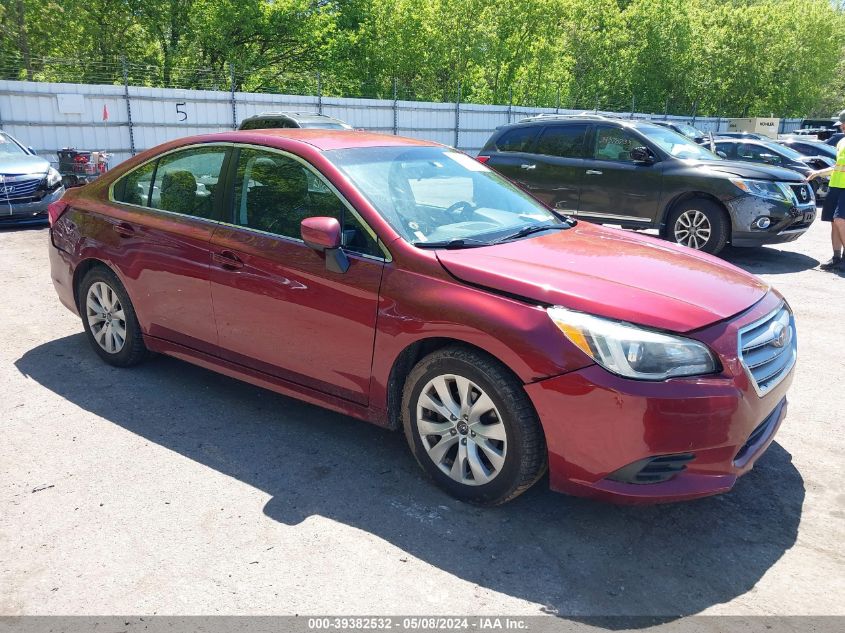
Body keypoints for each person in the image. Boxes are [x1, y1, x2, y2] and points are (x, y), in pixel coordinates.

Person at [808, 109, 845, 271]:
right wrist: (818, 172)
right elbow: (838, 167)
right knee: (833, 222)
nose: (842, 127)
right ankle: (836, 257)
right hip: (835, 186)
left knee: (840, 221)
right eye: (842, 124)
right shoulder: (841, 142)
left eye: (844, 124)